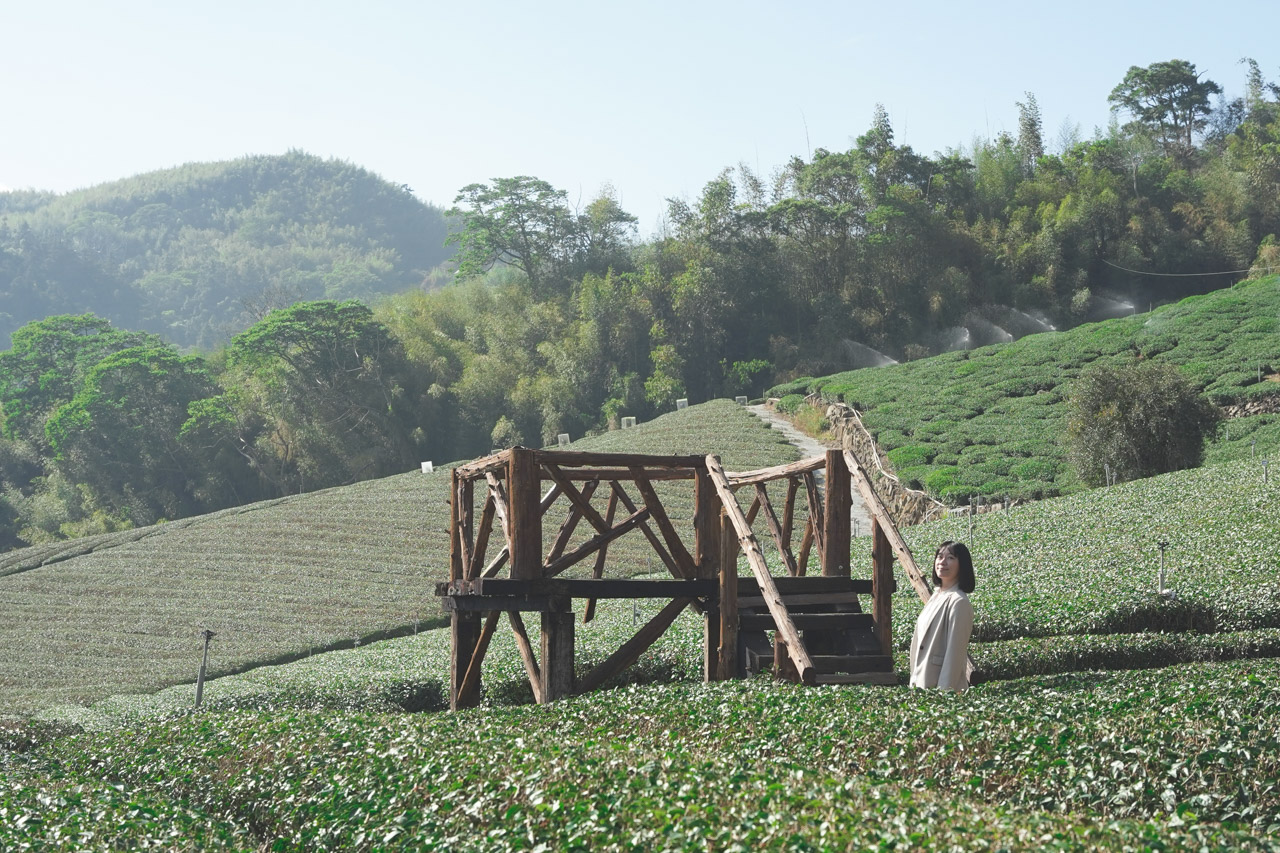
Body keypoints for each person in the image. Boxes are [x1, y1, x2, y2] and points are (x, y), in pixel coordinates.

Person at [908, 541, 975, 691]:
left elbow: (955, 654)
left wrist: (943, 694)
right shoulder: (936, 595)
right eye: (939, 556)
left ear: (962, 565)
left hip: (938, 687)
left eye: (950, 558)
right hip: (921, 681)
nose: (942, 562)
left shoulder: (959, 602)